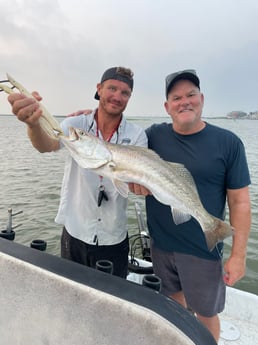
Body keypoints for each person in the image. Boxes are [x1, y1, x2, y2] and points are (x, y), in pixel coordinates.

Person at [130, 69, 251, 342]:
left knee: (205, 314)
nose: (184, 101)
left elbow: (240, 202)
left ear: (202, 99)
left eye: (191, 95)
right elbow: (122, 147)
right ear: (167, 106)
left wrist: (238, 256)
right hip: (161, 246)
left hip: (203, 251)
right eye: (176, 97)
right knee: (172, 306)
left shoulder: (228, 143)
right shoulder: (153, 137)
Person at [8, 66, 148, 278]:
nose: (117, 96)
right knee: (73, 295)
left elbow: (139, 182)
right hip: (75, 231)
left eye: (124, 92)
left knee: (112, 295)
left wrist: (142, 187)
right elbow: (47, 145)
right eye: (112, 88)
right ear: (99, 89)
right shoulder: (76, 125)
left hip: (114, 236)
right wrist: (34, 124)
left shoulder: (137, 135)